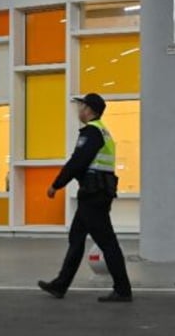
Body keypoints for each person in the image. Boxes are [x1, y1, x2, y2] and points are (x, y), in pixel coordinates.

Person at [38, 93, 132, 303]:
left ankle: (123, 289)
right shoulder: (104, 132)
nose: (79, 110)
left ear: (89, 110)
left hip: (93, 195)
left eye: (81, 106)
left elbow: (77, 161)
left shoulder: (92, 132)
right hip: (97, 193)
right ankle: (60, 285)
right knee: (76, 238)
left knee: (107, 242)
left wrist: (56, 184)